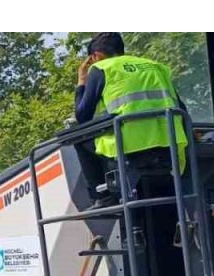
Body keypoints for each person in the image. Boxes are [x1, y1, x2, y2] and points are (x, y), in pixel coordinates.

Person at [72, 32, 189, 205]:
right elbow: (181, 108)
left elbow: (82, 116)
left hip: (129, 146)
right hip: (168, 145)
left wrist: (82, 81)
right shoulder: (155, 66)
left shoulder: (102, 68)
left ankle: (103, 197)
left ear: (96, 56)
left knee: (78, 139)